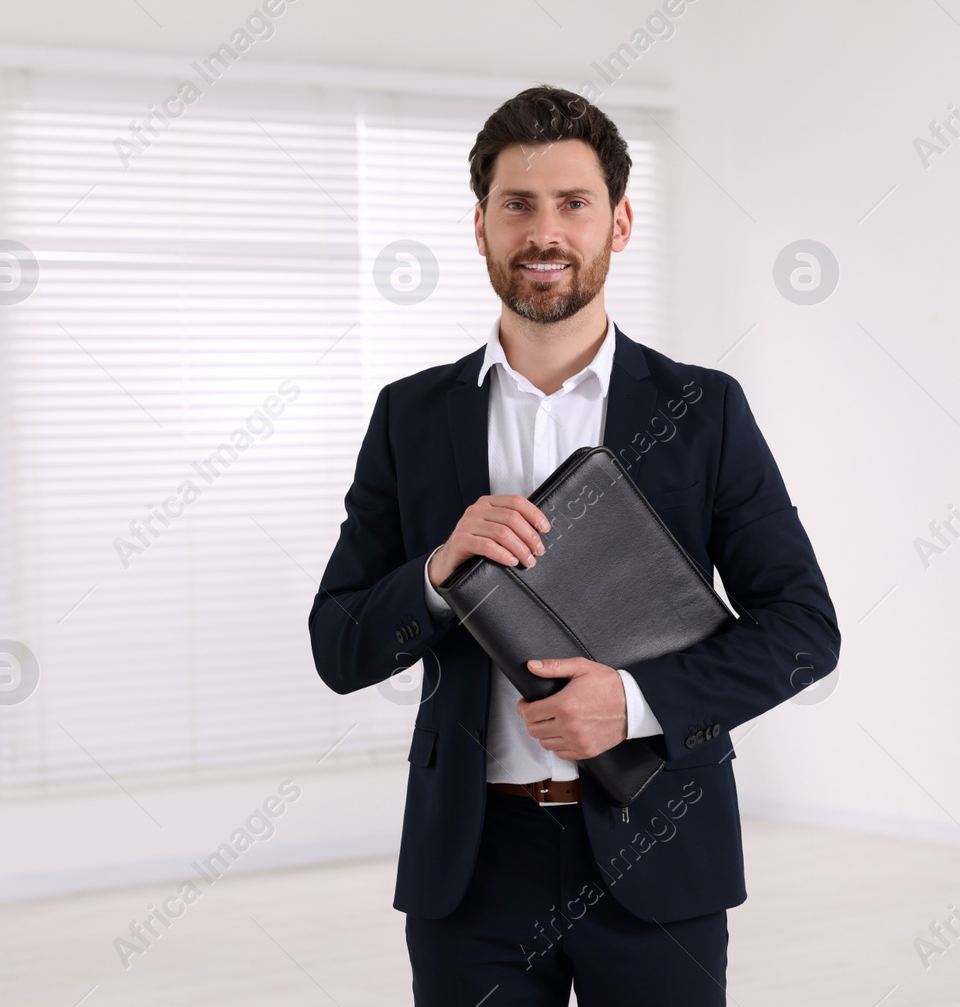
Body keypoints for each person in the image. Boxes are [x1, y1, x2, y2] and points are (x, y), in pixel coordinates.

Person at [309, 84, 839, 1005]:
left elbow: (802, 629)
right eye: (517, 204)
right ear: (479, 226)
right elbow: (338, 644)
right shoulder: (410, 416)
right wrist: (437, 574)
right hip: (470, 871)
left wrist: (634, 704)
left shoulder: (703, 410)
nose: (543, 232)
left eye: (573, 203)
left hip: (660, 849)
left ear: (621, 223)